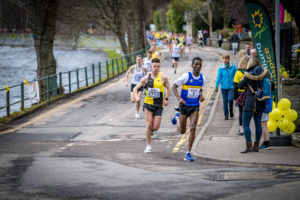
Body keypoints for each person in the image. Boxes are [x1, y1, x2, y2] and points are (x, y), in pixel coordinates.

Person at [133, 58, 171, 153]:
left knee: (155, 127)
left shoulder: (163, 77)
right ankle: (148, 146)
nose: (156, 68)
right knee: (149, 123)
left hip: (158, 105)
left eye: (158, 66)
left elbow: (169, 88)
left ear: (160, 67)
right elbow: (135, 88)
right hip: (148, 103)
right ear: (151, 67)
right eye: (154, 66)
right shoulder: (146, 78)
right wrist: (136, 96)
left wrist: (166, 99)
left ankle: (151, 130)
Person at [172, 57, 205, 161]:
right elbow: (174, 86)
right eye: (196, 64)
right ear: (192, 65)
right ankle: (177, 117)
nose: (198, 66)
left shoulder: (202, 78)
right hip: (184, 106)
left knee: (193, 127)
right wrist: (179, 98)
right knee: (182, 131)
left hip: (195, 106)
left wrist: (201, 96)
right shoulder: (186, 76)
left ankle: (188, 153)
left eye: (199, 64)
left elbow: (200, 90)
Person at [238, 58, 268, 153]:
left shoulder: (247, 75)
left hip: (249, 102)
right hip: (260, 101)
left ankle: (248, 147)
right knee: (258, 124)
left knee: (246, 124)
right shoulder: (265, 73)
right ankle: (256, 147)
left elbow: (240, 86)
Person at [215, 54, 237, 120]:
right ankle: (226, 115)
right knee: (225, 101)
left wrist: (237, 84)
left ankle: (231, 112)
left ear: (229, 59)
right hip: (223, 87)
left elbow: (236, 75)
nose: (226, 60)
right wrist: (216, 86)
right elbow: (219, 77)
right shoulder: (220, 68)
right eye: (225, 58)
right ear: (223, 59)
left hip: (231, 87)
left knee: (230, 100)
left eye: (227, 58)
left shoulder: (233, 67)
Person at [233, 55, 250, 136]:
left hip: (240, 94)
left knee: (241, 112)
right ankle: (247, 128)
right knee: (247, 112)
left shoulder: (238, 72)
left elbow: (235, 85)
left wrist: (235, 97)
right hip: (249, 94)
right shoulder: (250, 72)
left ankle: (241, 129)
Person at [260, 71, 274, 149]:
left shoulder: (266, 84)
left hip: (265, 107)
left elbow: (265, 97)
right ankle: (266, 141)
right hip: (267, 107)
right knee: (264, 125)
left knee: (264, 125)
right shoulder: (269, 83)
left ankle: (266, 142)